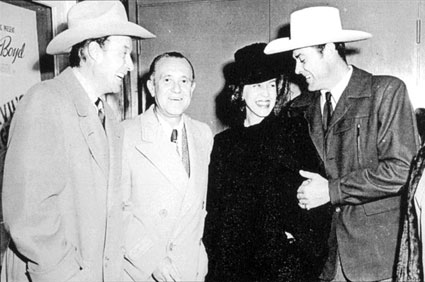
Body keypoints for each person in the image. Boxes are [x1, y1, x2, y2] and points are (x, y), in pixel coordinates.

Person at [0, 1, 155, 281]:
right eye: (123, 53)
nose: (130, 65)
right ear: (94, 51)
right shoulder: (45, 101)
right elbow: (28, 216)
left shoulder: (108, 116)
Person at [265, 6, 419, 281]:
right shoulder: (299, 108)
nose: (297, 70)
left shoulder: (385, 92)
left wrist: (332, 191)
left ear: (328, 48)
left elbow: (401, 170)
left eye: (302, 58)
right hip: (324, 262)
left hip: (377, 262)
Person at [204, 43, 332, 282]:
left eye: (271, 85)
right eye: (257, 86)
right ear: (240, 91)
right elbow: (215, 213)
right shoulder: (224, 144)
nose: (266, 94)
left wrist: (296, 247)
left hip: (283, 268)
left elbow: (315, 203)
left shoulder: (294, 131)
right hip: (235, 267)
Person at [121, 52, 213, 281]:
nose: (177, 89)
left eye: (184, 81)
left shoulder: (203, 134)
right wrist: (151, 259)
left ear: (192, 88)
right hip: (145, 269)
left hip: (189, 269)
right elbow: (116, 209)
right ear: (152, 86)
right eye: (167, 80)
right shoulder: (125, 134)